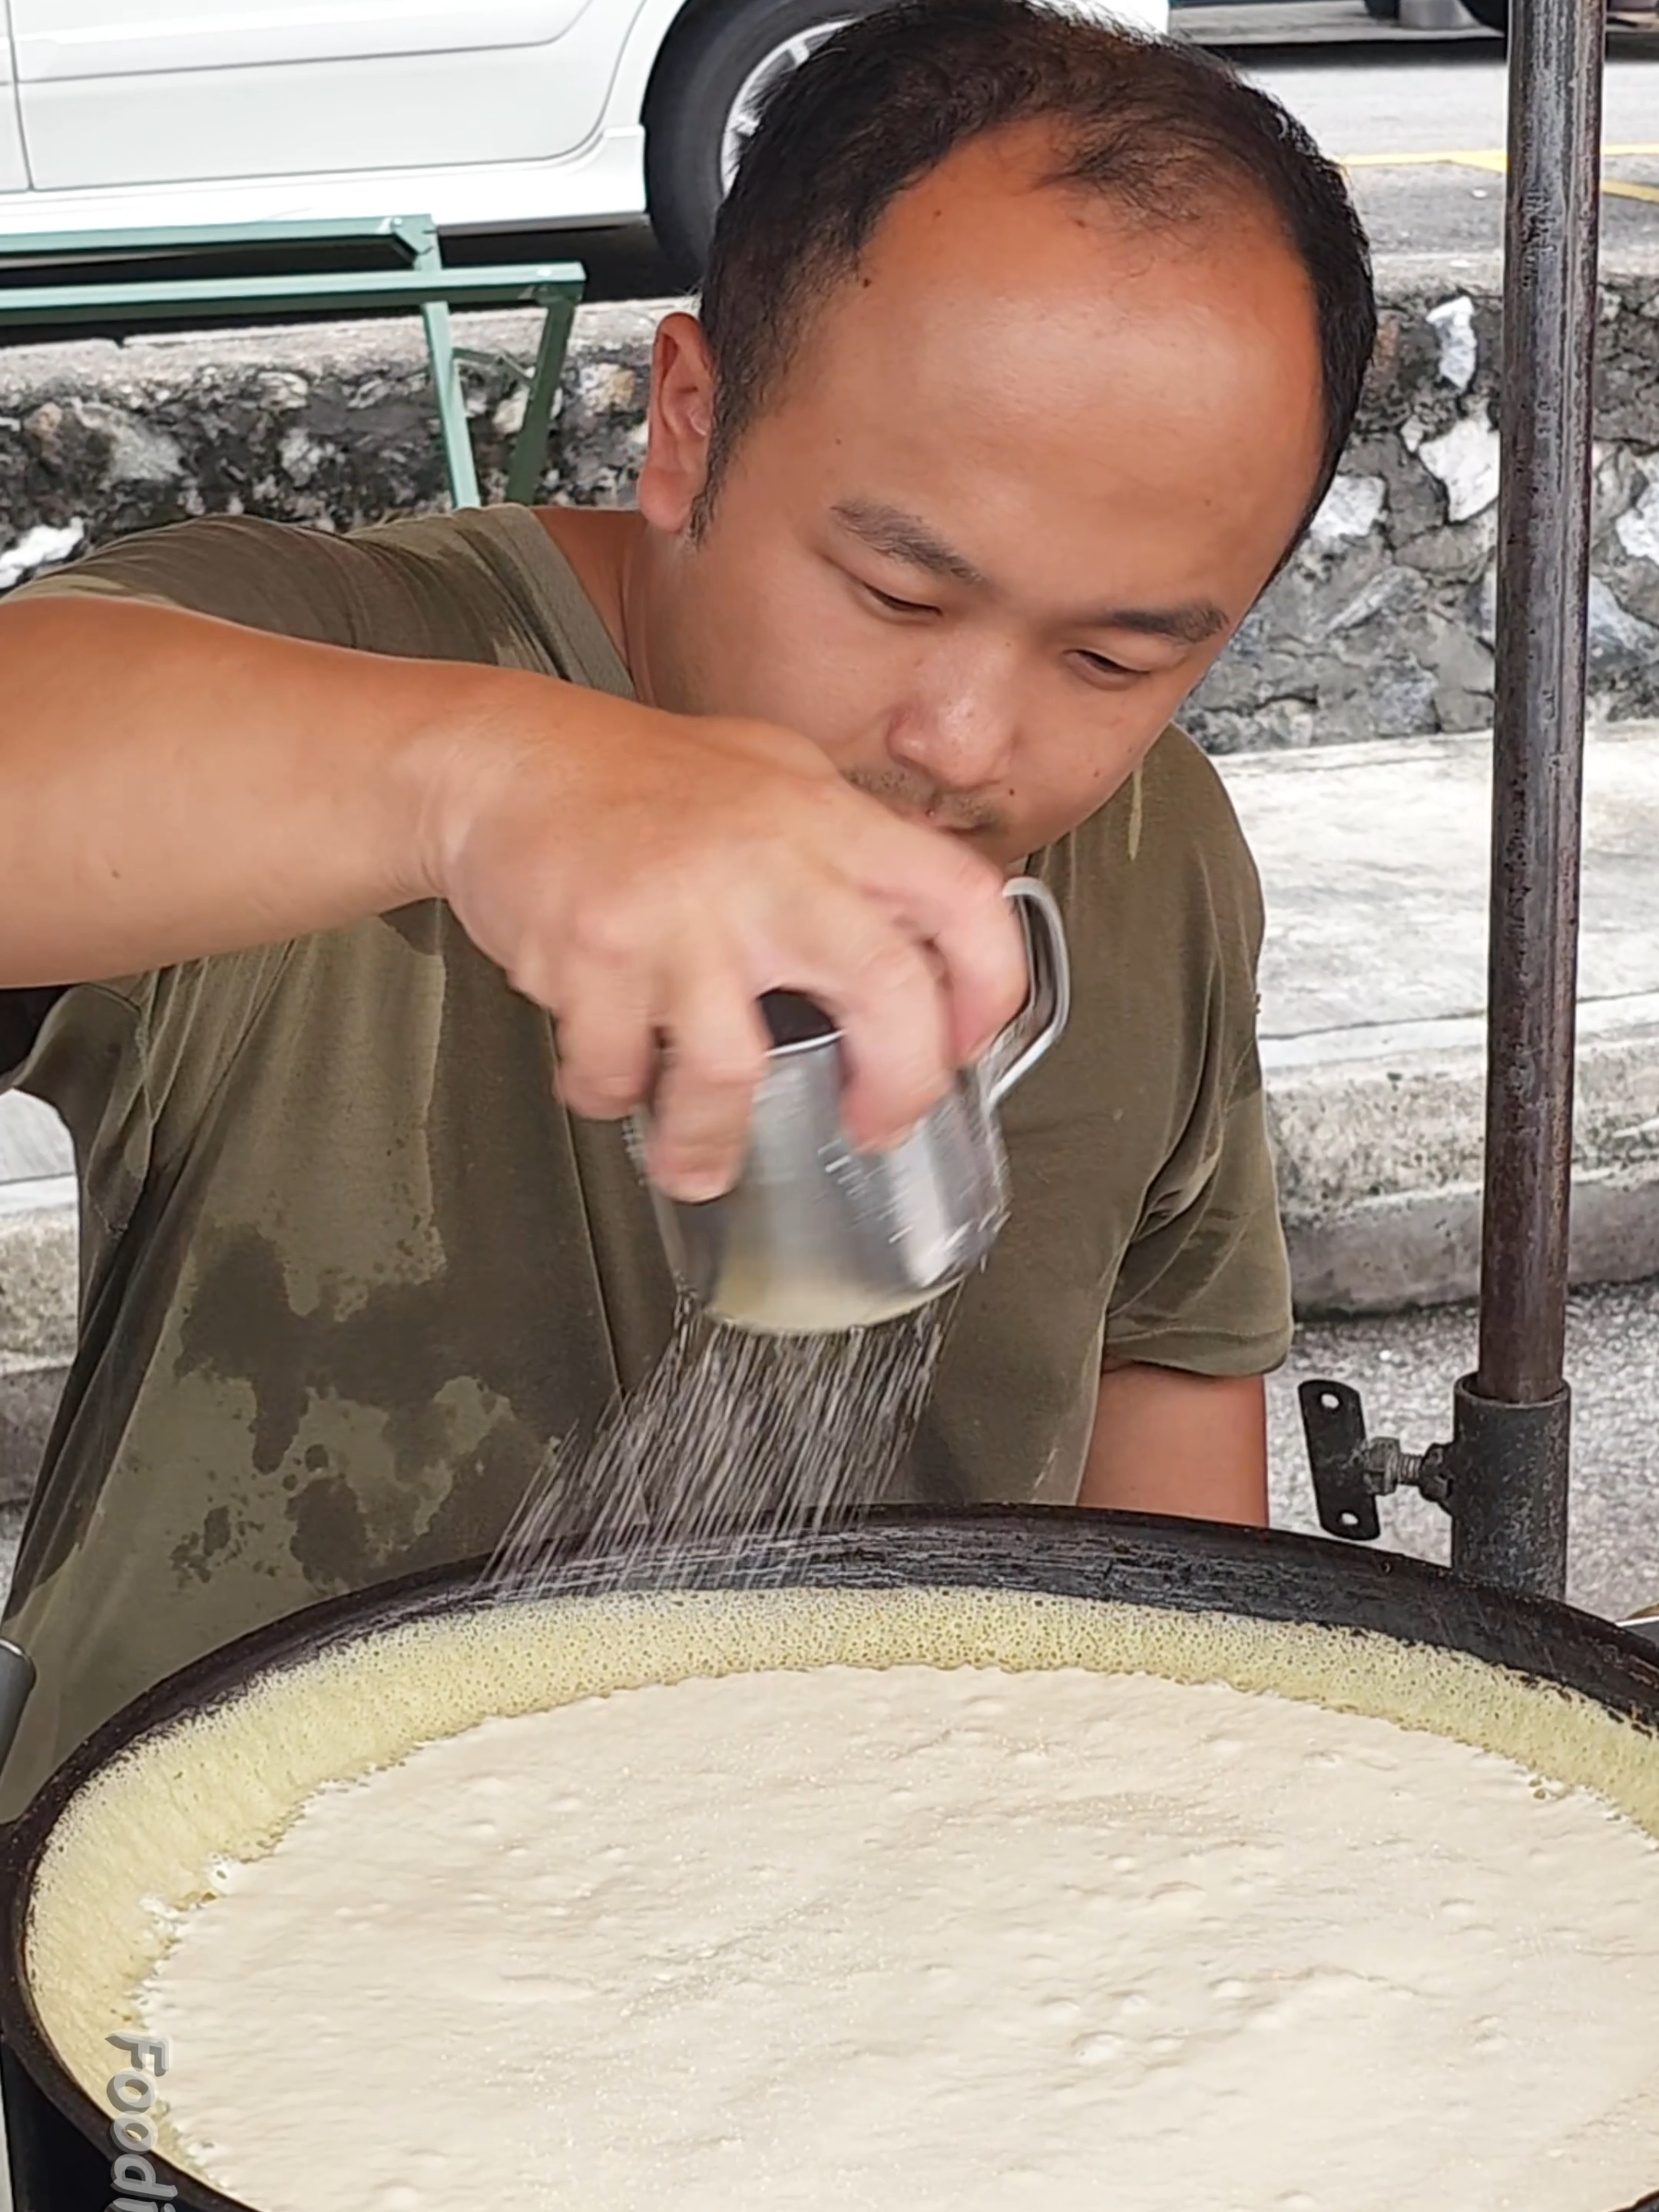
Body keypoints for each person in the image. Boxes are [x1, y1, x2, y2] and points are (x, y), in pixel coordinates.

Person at [0, 0, 1376, 1817]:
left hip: (859, 1916)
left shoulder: (1159, 849)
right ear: (689, 418)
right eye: (895, 593)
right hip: (192, 1907)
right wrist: (484, 783)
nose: (966, 742)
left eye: (1118, 654)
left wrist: (1168, 1810)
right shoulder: (351, 664)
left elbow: (1167, 1369)